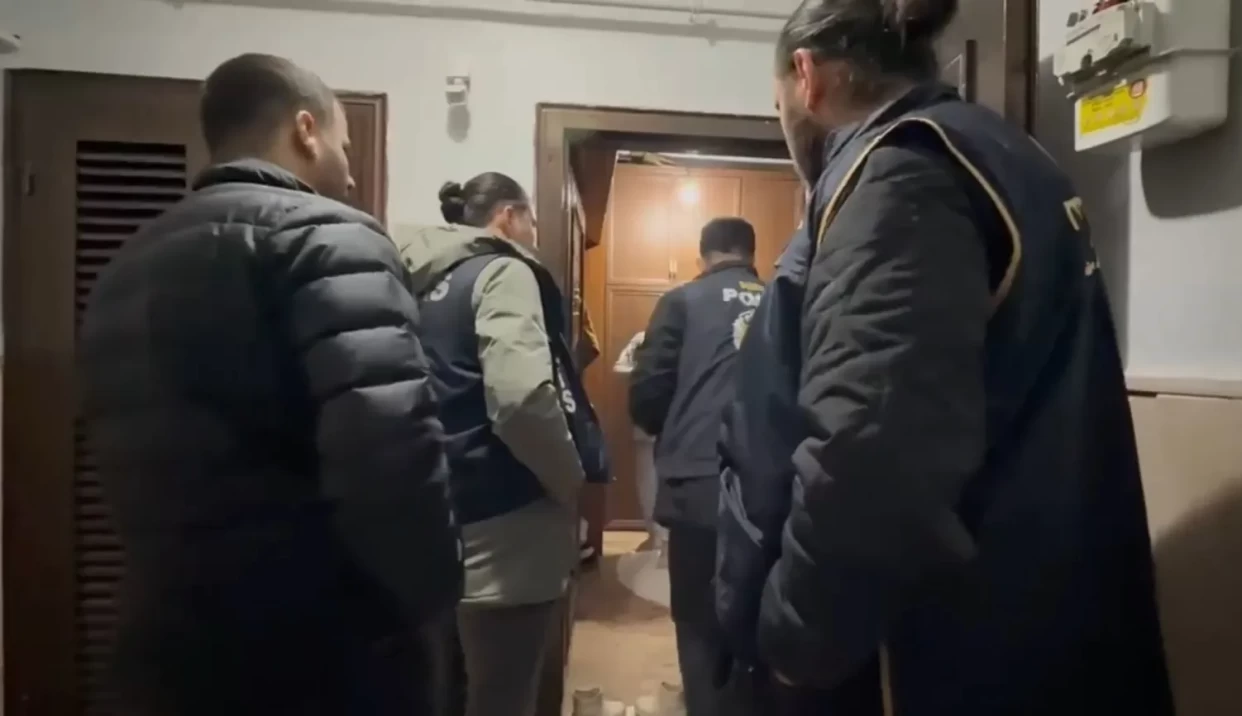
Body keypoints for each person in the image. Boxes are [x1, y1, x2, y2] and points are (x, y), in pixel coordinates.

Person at [715, 1, 1175, 715]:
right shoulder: (1011, 155)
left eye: (777, 104)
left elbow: (868, 453)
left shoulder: (899, 176)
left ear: (806, 77)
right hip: (1042, 618)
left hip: (945, 652)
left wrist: (796, 645)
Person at [77, 54, 460, 716]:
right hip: (314, 650)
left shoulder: (126, 263)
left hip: (167, 641)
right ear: (306, 130)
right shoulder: (330, 238)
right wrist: (428, 616)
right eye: (345, 145)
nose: (349, 170)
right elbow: (389, 452)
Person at [396, 173, 606, 716]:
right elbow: (521, 400)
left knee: (442, 692)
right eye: (531, 220)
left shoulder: (416, 279)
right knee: (502, 697)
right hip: (504, 522)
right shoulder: (503, 271)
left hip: (430, 511)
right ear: (509, 217)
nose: (534, 233)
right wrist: (568, 478)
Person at [628, 217, 763, 716]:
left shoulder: (682, 301)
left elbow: (647, 395)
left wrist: (677, 427)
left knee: (698, 623)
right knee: (760, 618)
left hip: (698, 484)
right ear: (752, 254)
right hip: (773, 486)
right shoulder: (785, 299)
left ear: (702, 256)